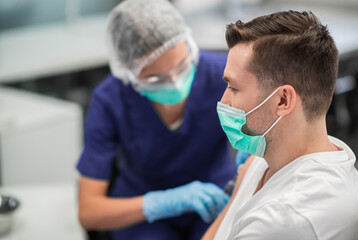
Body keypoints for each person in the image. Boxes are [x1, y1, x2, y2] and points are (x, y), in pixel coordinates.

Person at [76, 0, 237, 239]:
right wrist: (160, 203)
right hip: (140, 215)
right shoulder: (110, 100)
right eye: (155, 79)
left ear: (190, 44)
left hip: (217, 197)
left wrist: (248, 171)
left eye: (182, 65)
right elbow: (89, 212)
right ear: (127, 72)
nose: (174, 81)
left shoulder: (223, 74)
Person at [202, 10, 358, 240]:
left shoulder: (285, 219)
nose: (223, 101)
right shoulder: (297, 149)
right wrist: (239, 191)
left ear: (282, 101)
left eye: (234, 88)